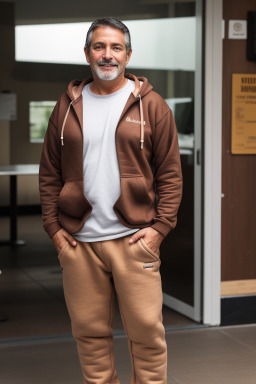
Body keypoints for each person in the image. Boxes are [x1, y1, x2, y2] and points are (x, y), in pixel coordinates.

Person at [39, 17, 182, 384]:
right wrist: (54, 230)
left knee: (147, 333)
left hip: (134, 239)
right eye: (99, 47)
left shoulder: (152, 106)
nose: (107, 55)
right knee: (88, 333)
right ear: (87, 53)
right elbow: (49, 173)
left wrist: (159, 230)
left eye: (116, 48)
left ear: (128, 54)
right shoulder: (67, 105)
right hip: (79, 242)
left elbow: (169, 173)